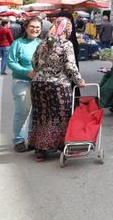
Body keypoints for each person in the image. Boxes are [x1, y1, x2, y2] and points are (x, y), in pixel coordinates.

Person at [29, 17, 85, 162]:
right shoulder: (66, 44)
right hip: (58, 86)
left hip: (38, 85)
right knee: (60, 116)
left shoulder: (42, 43)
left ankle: (40, 150)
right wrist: (79, 81)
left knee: (42, 116)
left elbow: (33, 62)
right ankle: (61, 146)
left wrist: (42, 72)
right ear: (68, 29)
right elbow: (70, 66)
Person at [8, 17, 42, 152]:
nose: (35, 29)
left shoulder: (42, 43)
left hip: (40, 84)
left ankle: (32, 139)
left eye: (37, 27)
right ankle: (19, 140)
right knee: (22, 112)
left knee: (37, 113)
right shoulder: (18, 43)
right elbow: (11, 62)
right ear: (26, 28)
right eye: (32, 26)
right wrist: (26, 72)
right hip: (22, 82)